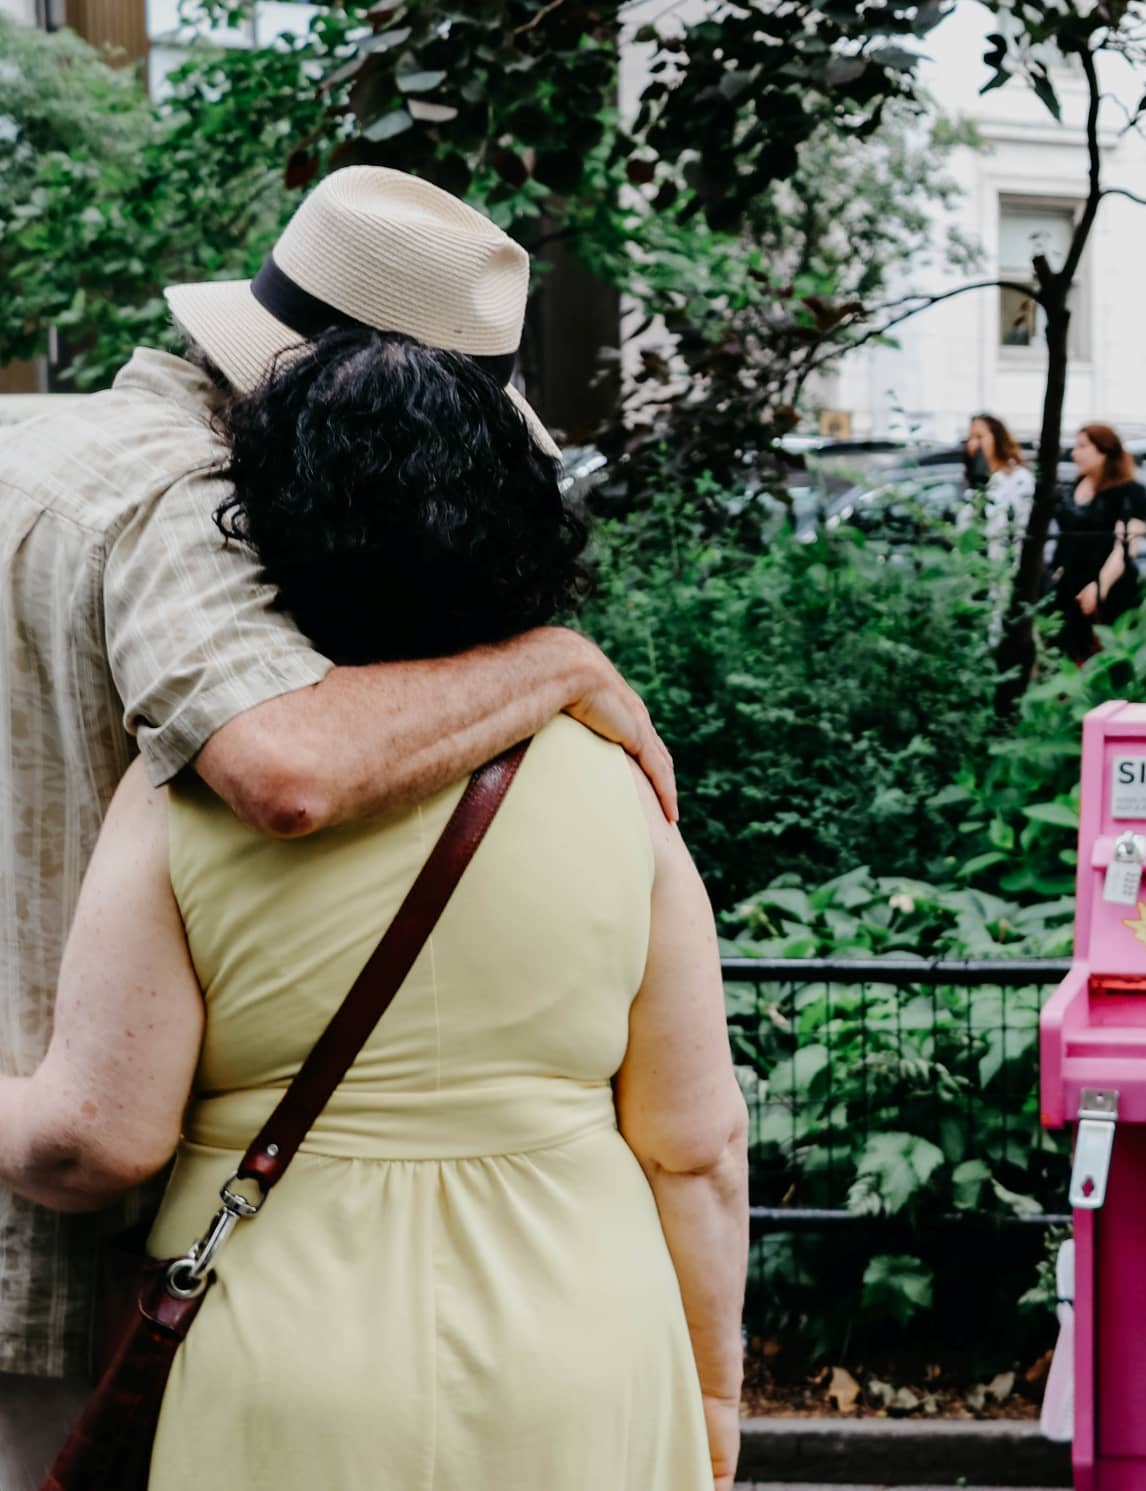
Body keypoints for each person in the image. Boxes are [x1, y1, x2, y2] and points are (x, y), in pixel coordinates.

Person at [0, 165, 677, 1488]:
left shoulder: (29, 437)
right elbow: (288, 766)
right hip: (98, 1238)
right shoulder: (175, 499)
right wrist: (561, 667)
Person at [1049, 422, 1146, 663]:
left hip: (1109, 587)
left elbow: (1125, 549)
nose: (1075, 453)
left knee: (1105, 655)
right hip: (1069, 586)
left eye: (1082, 446)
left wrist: (1100, 587)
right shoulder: (1075, 486)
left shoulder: (1130, 492)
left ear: (1104, 451)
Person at [963, 412, 1036, 556]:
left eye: (979, 437)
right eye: (970, 438)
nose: (973, 444)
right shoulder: (974, 483)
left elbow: (1021, 529)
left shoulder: (1019, 479)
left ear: (998, 438)